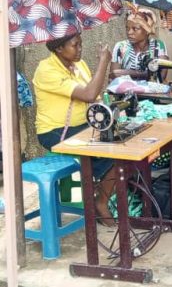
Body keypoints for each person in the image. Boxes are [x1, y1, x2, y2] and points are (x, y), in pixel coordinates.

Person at [33, 33, 120, 225]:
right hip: (54, 131)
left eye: (80, 44)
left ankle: (100, 196)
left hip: (82, 126)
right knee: (110, 151)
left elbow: (95, 92)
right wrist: (104, 62)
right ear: (58, 48)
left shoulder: (78, 64)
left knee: (121, 144)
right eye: (75, 45)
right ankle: (100, 202)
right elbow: (89, 94)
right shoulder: (46, 70)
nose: (80, 49)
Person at [110, 6, 169, 80]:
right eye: (127, 28)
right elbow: (114, 76)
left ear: (147, 30)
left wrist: (128, 72)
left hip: (151, 91)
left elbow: (161, 76)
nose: (129, 32)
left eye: (135, 29)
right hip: (126, 91)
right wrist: (147, 74)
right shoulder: (121, 47)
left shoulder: (158, 46)